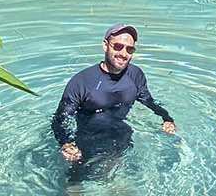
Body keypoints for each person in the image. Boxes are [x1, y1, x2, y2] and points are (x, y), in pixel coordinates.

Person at [52, 24, 176, 176]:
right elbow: (60, 118)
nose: (123, 54)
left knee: (114, 179)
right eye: (118, 46)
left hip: (120, 135)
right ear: (105, 45)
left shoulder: (135, 75)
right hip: (88, 138)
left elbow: (148, 100)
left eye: (129, 49)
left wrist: (167, 118)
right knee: (77, 179)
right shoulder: (82, 81)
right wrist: (66, 143)